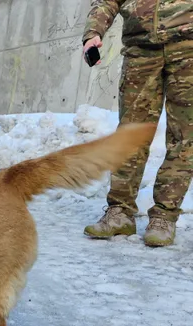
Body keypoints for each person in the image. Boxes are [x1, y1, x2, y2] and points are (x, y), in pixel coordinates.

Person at [82, 0, 192, 247]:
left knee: (184, 137)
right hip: (141, 50)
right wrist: (93, 33)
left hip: (188, 48)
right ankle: (119, 212)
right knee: (131, 134)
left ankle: (165, 215)